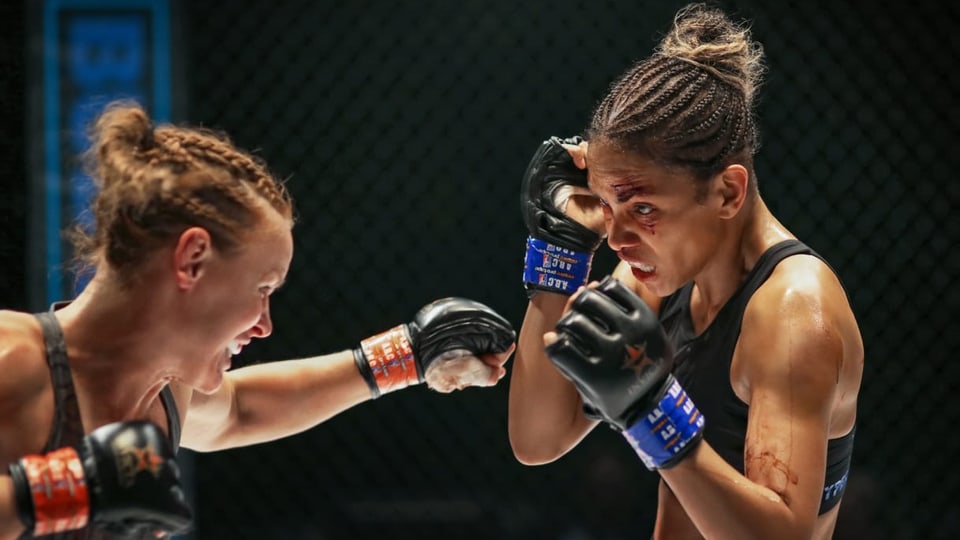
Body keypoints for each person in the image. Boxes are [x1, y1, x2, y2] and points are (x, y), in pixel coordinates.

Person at [0, 102, 516, 539]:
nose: (264, 324)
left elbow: (240, 409)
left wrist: (405, 355)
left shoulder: (166, 392)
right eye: (262, 289)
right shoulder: (12, 359)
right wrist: (56, 490)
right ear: (192, 260)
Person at [508, 4, 863, 539]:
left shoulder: (792, 315)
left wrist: (652, 413)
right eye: (606, 206)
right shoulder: (660, 282)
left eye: (643, 208)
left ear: (727, 191)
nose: (617, 238)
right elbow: (537, 439)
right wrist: (561, 255)